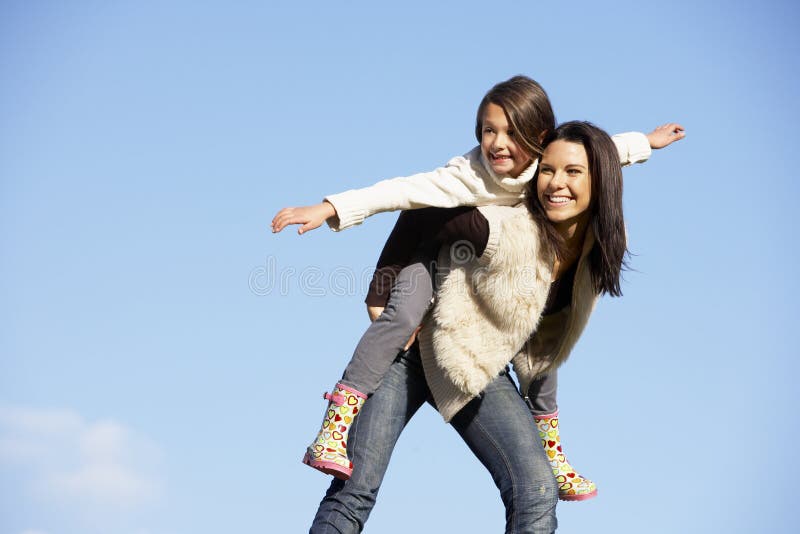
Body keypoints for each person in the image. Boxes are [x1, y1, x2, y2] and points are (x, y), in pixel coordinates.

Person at [272, 75, 684, 499]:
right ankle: (332, 428)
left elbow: (603, 153)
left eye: (511, 132)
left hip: (476, 281)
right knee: (401, 318)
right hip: (427, 262)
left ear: (540, 138)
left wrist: (647, 142)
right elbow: (402, 195)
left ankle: (553, 456)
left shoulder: (546, 167)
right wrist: (330, 209)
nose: (498, 144)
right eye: (489, 131)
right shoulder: (468, 174)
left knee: (545, 344)